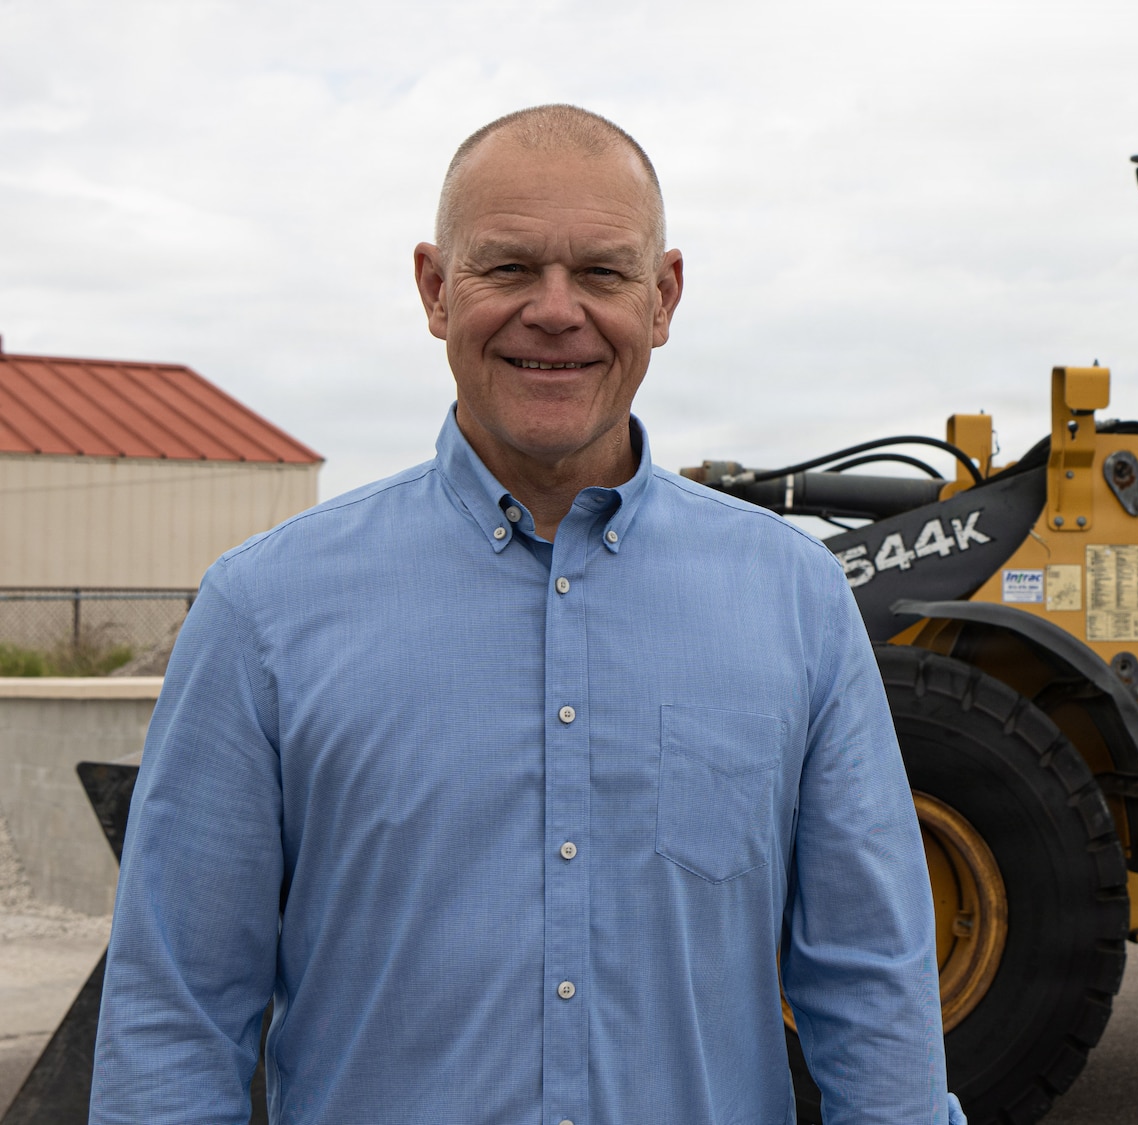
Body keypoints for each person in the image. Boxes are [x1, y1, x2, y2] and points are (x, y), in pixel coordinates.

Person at [91, 105, 965, 1125]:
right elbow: (177, 1012)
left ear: (663, 295)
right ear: (432, 287)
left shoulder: (796, 600)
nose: (555, 312)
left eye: (600, 272)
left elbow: (870, 981)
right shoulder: (263, 613)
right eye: (507, 269)